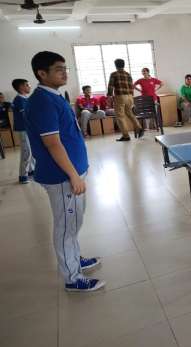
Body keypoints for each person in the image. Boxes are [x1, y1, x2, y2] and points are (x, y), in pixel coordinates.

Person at [25, 51, 104, 292]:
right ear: (42, 73)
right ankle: (72, 277)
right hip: (62, 177)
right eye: (59, 69)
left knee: (74, 222)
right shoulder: (42, 101)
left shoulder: (54, 96)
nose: (65, 72)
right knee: (65, 226)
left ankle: (74, 257)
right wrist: (72, 175)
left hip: (73, 173)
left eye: (65, 68)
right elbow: (53, 143)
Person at [107, 58, 143, 141]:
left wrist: (109, 96)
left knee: (120, 116)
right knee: (130, 113)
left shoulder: (114, 74)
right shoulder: (128, 74)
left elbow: (111, 86)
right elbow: (131, 86)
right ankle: (139, 127)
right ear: (124, 65)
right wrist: (132, 97)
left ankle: (126, 136)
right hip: (130, 96)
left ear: (115, 65)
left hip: (120, 96)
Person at [11, 79, 35, 183]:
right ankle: (23, 176)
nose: (29, 86)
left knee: (31, 151)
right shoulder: (19, 99)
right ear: (21, 87)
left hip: (28, 129)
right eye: (27, 85)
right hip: (23, 129)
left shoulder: (25, 98)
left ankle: (31, 170)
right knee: (27, 152)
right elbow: (25, 115)